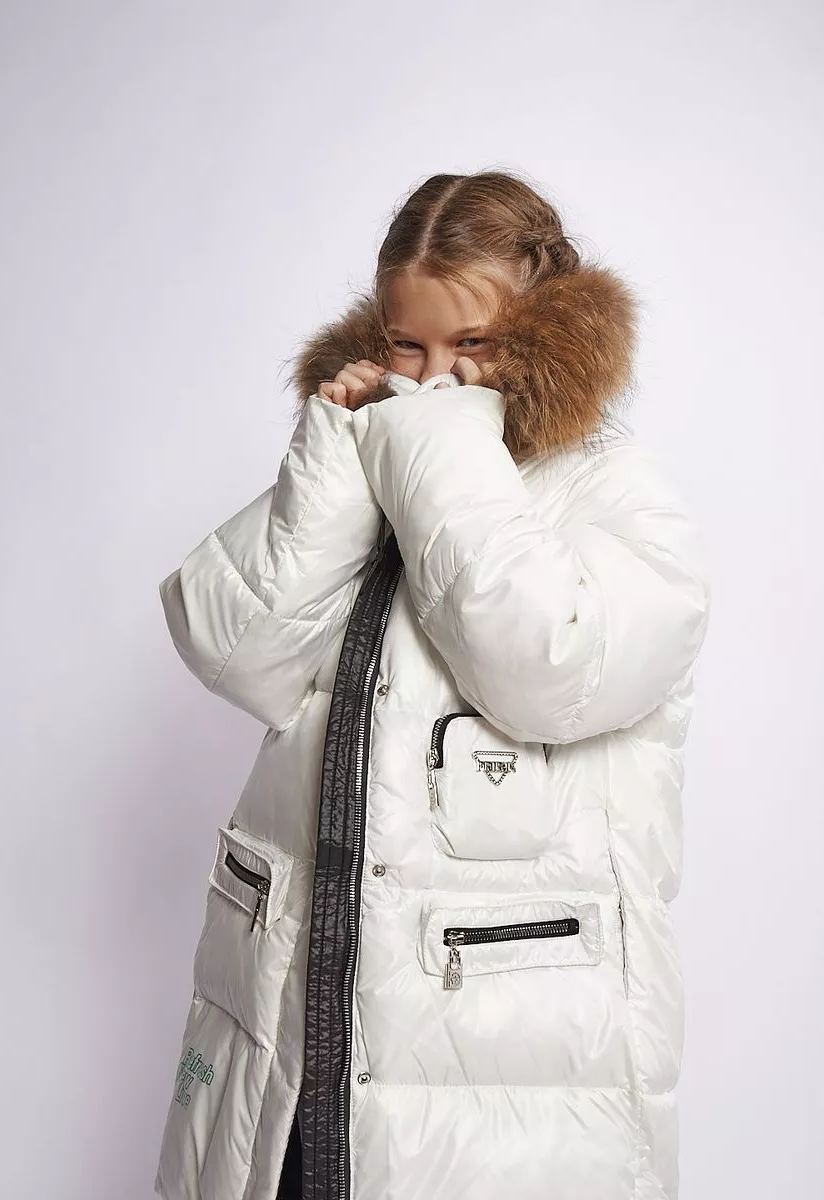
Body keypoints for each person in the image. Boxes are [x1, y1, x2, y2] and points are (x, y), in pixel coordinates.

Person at [152, 170, 712, 1200]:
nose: (435, 378)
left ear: (543, 326)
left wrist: (434, 450)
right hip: (300, 1042)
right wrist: (333, 461)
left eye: (474, 345)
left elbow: (547, 668)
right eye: (406, 345)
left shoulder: (617, 494)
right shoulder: (368, 460)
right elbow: (234, 653)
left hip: (505, 1073)